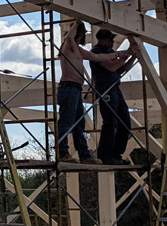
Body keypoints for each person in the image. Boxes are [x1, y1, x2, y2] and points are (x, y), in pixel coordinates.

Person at [56, 21, 121, 164]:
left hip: (75, 89)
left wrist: (119, 54)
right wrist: (77, 21)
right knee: (66, 122)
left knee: (79, 123)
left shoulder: (78, 50)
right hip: (68, 88)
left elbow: (97, 57)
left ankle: (84, 155)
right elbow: (68, 39)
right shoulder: (68, 47)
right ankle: (62, 152)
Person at [87, 28, 136, 165]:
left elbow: (121, 68)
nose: (112, 42)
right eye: (110, 40)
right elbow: (112, 67)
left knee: (124, 120)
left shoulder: (109, 52)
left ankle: (116, 154)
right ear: (102, 40)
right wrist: (127, 54)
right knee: (110, 121)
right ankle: (106, 154)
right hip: (105, 88)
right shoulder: (96, 52)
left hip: (114, 87)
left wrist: (133, 56)